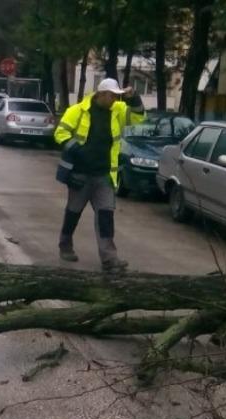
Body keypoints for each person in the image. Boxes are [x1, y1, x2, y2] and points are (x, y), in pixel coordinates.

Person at [53, 78, 145, 273]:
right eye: (111, 95)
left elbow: (138, 118)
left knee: (105, 216)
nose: (114, 99)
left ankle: (109, 259)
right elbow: (60, 133)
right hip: (80, 174)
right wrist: (78, 150)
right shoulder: (77, 111)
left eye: (116, 96)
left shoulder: (118, 110)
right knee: (73, 212)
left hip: (104, 175)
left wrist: (133, 98)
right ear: (101, 94)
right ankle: (65, 245)